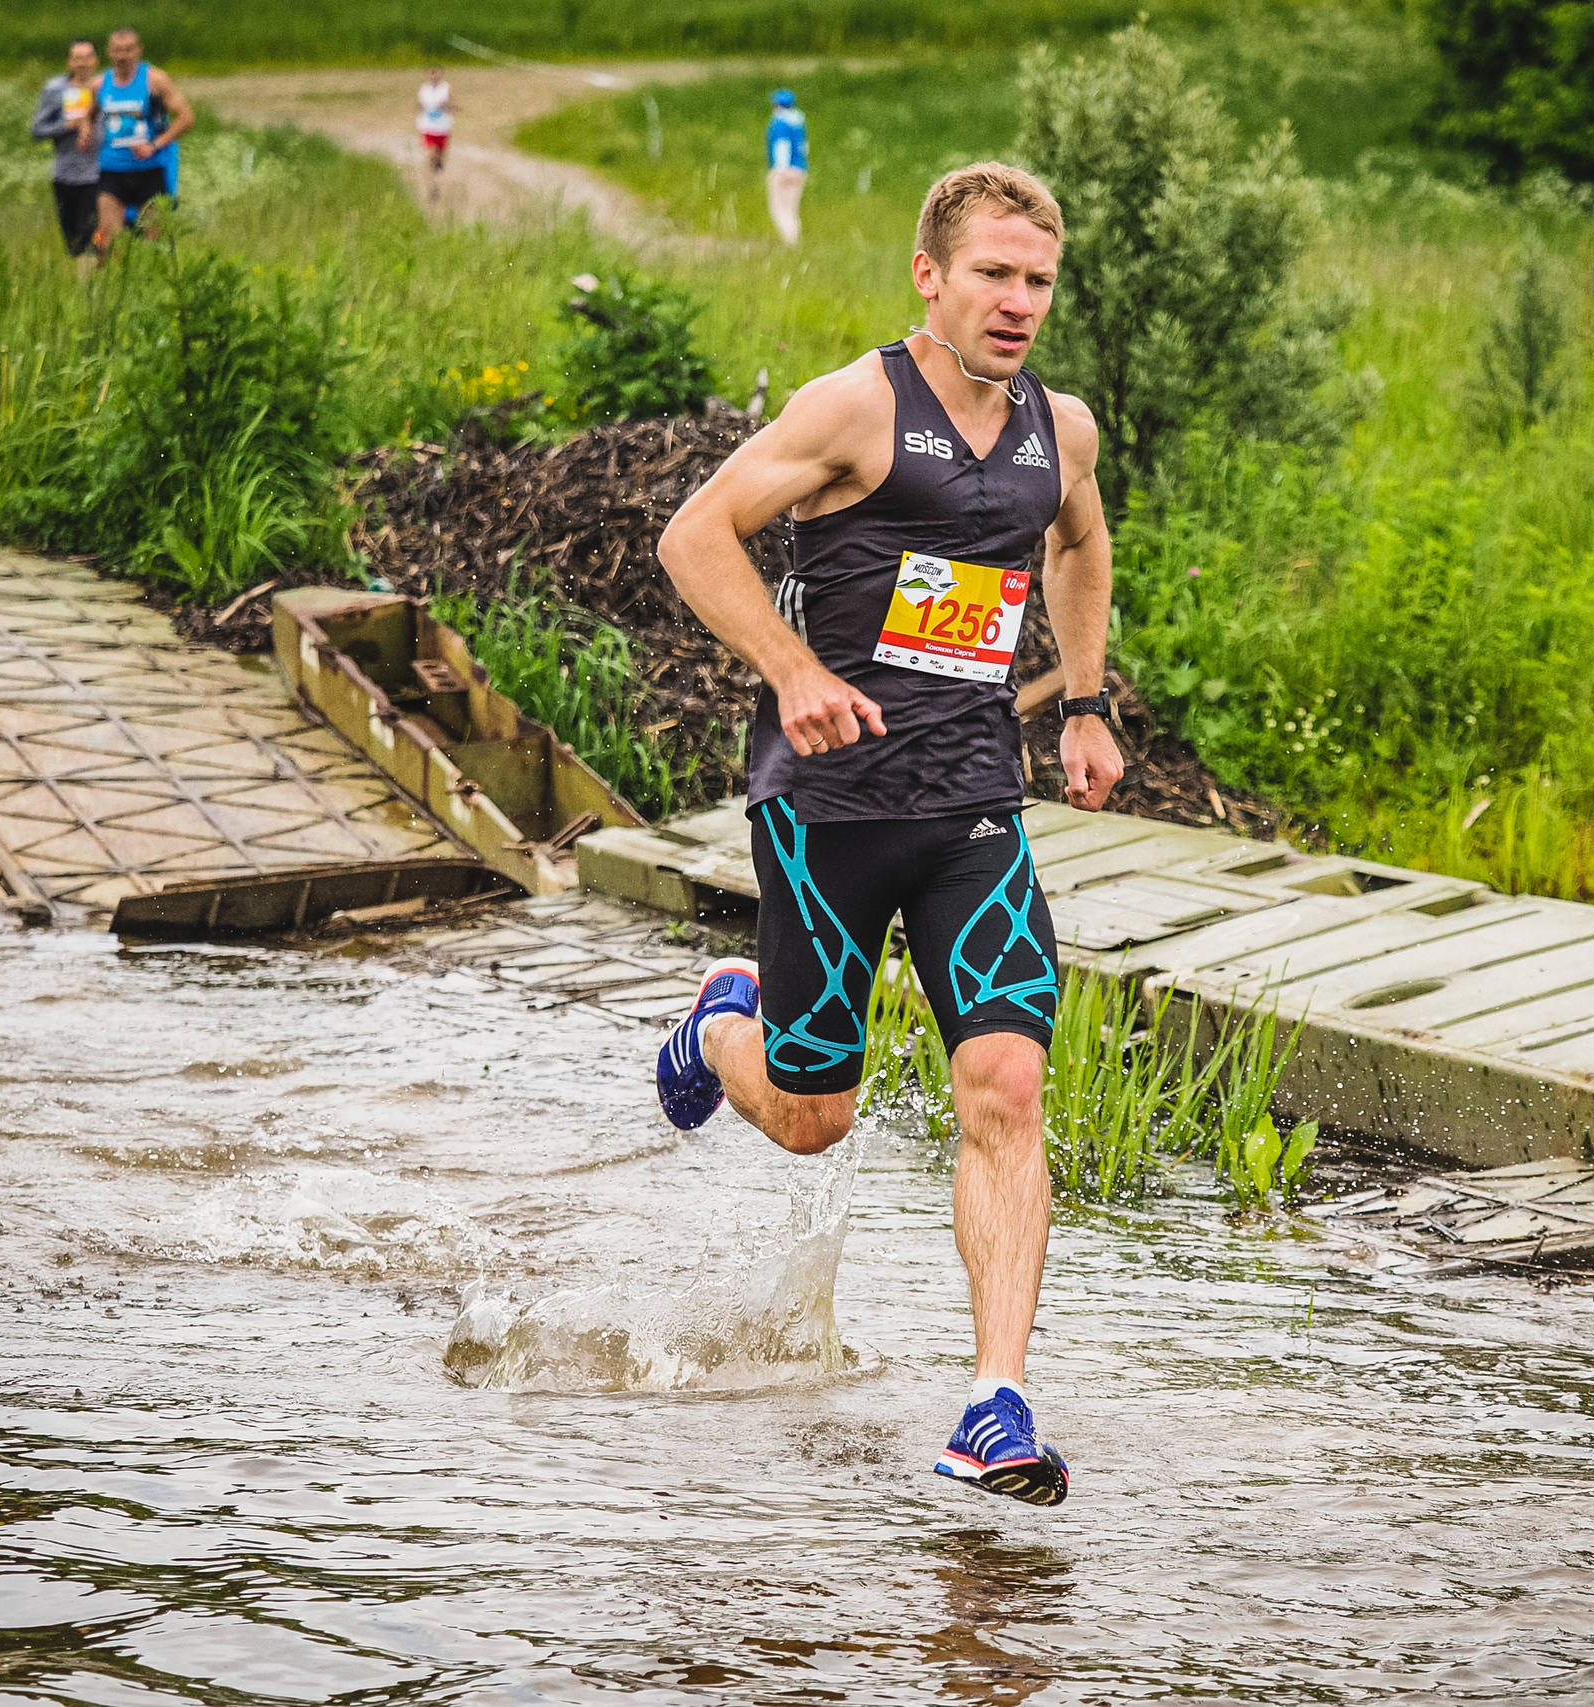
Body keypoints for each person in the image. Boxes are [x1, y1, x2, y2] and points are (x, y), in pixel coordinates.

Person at [654, 163, 1121, 1507]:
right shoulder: (859, 407)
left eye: (1037, 279)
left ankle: (995, 1401)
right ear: (931, 276)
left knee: (1006, 1088)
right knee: (812, 1115)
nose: (1017, 301)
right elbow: (697, 539)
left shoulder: (1060, 429)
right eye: (992, 273)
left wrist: (1083, 701)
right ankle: (716, 1027)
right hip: (829, 809)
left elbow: (1080, 544)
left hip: (975, 805)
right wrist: (795, 671)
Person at [91, 27, 193, 264]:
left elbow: (186, 119)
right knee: (106, 241)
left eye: (128, 49)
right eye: (117, 50)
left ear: (139, 51)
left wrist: (154, 145)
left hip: (150, 169)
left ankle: (153, 288)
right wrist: (86, 132)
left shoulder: (154, 80)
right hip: (112, 170)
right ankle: (112, 288)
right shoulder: (99, 84)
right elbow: (88, 116)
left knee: (154, 243)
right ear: (109, 52)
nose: (123, 55)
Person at [31, 38, 103, 262]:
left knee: (90, 235)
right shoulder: (55, 89)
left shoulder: (106, 87)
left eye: (87, 57)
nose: (82, 63)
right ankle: (83, 283)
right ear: (69, 62)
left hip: (98, 173)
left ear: (96, 61)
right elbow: (37, 130)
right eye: (77, 58)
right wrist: (67, 126)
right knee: (72, 239)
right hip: (65, 174)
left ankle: (91, 283)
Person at [765, 89, 807, 245]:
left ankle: (789, 243)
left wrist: (781, 170)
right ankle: (795, 241)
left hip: (784, 169)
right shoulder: (798, 123)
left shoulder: (780, 123)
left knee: (779, 210)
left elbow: (782, 146)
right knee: (792, 210)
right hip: (799, 167)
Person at [417, 69, 454, 199]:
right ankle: (433, 186)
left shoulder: (445, 89)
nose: (434, 77)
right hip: (428, 127)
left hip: (443, 128)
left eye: (436, 74)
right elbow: (419, 105)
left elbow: (451, 105)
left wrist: (447, 106)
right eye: (431, 74)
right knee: (431, 155)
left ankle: (436, 182)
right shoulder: (424, 90)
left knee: (440, 159)